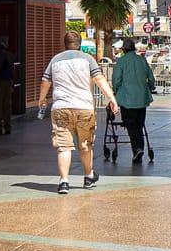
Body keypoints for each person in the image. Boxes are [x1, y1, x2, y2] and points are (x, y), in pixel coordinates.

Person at [39, 37, 120, 194]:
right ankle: (88, 176)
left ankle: (64, 182)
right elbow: (99, 79)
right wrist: (112, 99)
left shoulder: (55, 60)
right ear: (80, 45)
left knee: (63, 146)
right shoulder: (87, 59)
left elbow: (45, 82)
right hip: (84, 107)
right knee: (85, 145)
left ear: (65, 44)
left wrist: (42, 99)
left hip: (61, 107)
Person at [108, 38, 154, 164]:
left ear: (124, 49)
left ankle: (137, 149)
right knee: (139, 124)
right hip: (141, 99)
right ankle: (139, 149)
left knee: (131, 125)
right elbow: (150, 77)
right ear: (134, 48)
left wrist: (116, 92)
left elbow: (116, 80)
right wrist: (151, 87)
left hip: (126, 100)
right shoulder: (142, 60)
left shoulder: (121, 61)